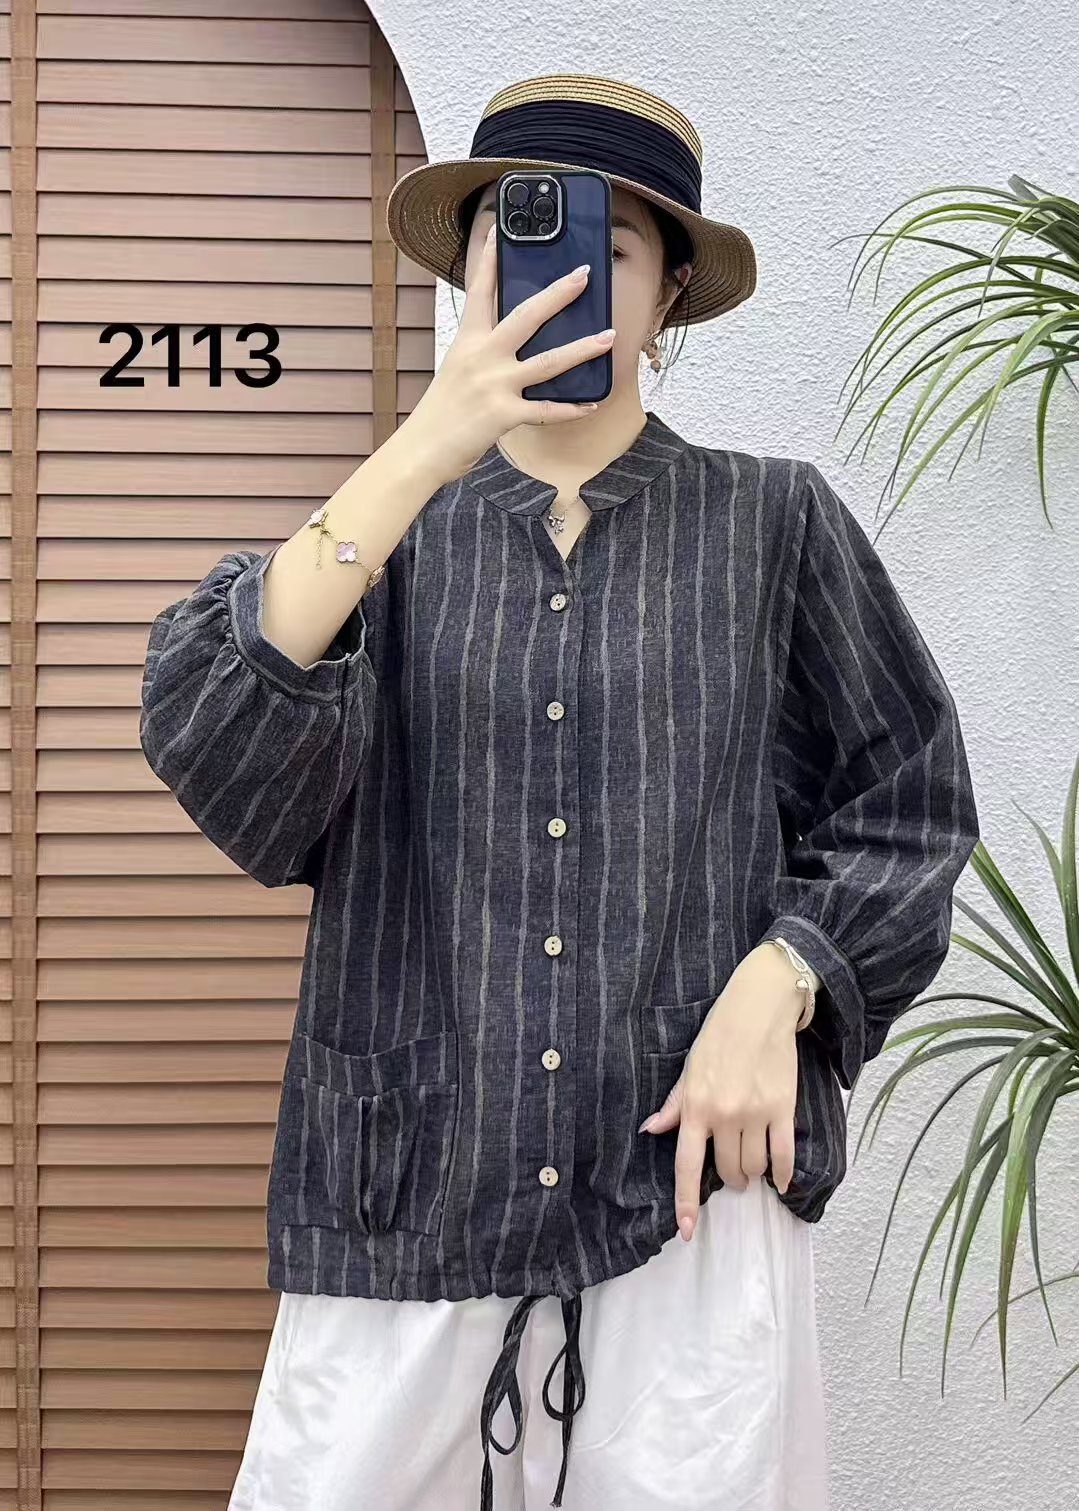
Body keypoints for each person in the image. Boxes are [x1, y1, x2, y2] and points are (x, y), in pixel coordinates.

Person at [139, 73, 980, 1511]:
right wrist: (430, 440)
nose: (562, 280)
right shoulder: (383, 534)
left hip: (689, 1204)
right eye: (513, 237)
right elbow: (220, 751)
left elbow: (909, 800)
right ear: (466, 275)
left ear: (669, 301)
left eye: (614, 245)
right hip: (405, 1198)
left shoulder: (774, 522)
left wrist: (786, 977)